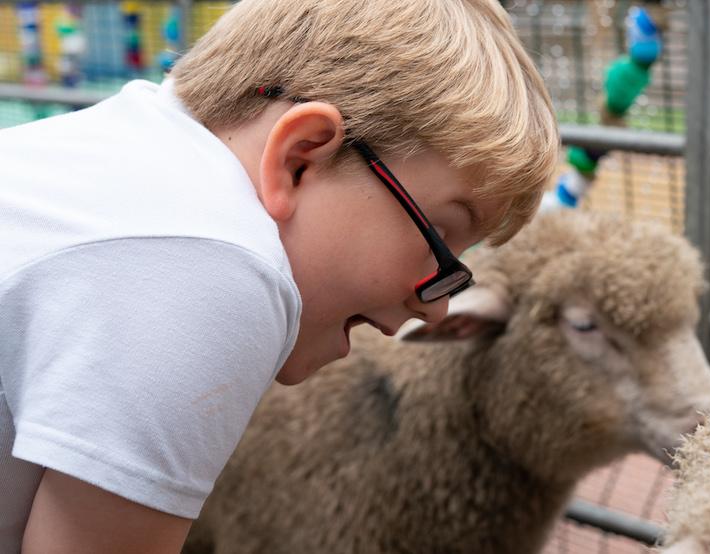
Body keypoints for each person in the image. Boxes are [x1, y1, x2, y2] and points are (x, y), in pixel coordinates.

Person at [0, 1, 558, 552]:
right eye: (439, 237)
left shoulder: (125, 152)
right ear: (300, 157)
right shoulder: (213, 263)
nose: (437, 307)